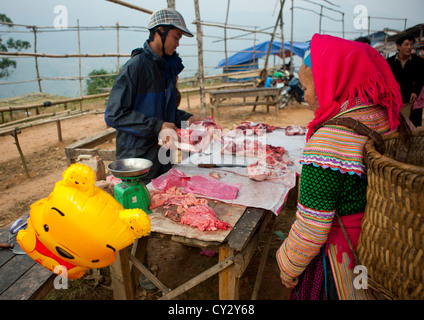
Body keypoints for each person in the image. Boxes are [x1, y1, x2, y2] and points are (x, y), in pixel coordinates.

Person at [276, 34, 412, 300]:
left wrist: (288, 265)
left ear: (328, 80)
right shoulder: (396, 120)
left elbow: (312, 226)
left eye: (306, 87)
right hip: (395, 249)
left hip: (347, 255)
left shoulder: (328, 143)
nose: (305, 96)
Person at [105, 8, 201, 183]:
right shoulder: (136, 67)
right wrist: (158, 126)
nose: (178, 43)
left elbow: (164, 113)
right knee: (139, 206)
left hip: (163, 157)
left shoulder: (167, 69)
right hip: (138, 160)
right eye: (176, 37)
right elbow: (114, 115)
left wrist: (188, 119)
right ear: (160, 31)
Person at [387, 33, 424, 127]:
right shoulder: (389, 62)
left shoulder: (418, 62)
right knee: (396, 125)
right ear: (398, 46)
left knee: (413, 125)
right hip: (394, 99)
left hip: (412, 100)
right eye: (406, 44)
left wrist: (415, 92)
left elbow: (420, 79)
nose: (409, 47)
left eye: (411, 45)